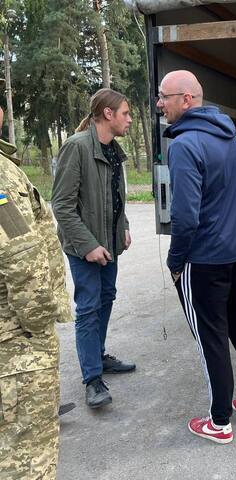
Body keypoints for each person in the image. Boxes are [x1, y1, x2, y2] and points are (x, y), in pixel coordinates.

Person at [157, 70, 236, 445]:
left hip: (204, 259)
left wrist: (175, 261)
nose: (160, 104)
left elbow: (185, 216)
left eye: (164, 97)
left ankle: (220, 422)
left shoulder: (184, 146)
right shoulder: (229, 137)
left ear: (186, 99)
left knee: (212, 338)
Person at [0, 105, 73, 479]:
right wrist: (40, 325)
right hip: (16, 347)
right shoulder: (1, 176)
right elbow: (21, 253)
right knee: (26, 460)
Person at [52, 88, 136, 409]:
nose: (130, 119)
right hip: (83, 246)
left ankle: (98, 356)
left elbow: (115, 196)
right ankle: (92, 380)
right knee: (88, 307)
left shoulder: (113, 150)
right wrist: (88, 245)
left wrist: (124, 225)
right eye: (126, 113)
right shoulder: (77, 147)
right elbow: (62, 205)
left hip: (109, 243)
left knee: (106, 296)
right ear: (108, 114)